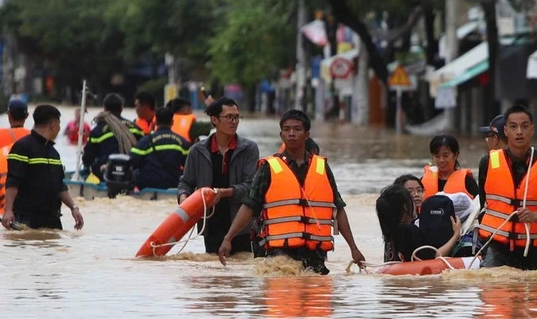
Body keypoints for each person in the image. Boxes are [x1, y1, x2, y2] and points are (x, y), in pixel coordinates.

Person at [218, 110, 366, 274]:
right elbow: (249, 206)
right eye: (287, 130)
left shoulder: (322, 167)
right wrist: (228, 238)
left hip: (315, 256)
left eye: (297, 129)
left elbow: (338, 209)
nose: (291, 134)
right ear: (281, 135)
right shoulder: (268, 167)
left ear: (307, 134)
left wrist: (354, 248)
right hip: (280, 256)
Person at [477, 104, 537, 270]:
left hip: (532, 248)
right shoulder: (488, 162)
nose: (519, 132)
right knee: (492, 282)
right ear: (506, 131)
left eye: (524, 126)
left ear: (532, 129)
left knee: (532, 285)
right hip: (496, 246)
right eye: (513, 127)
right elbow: (484, 205)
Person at [178, 97, 261, 256]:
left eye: (237, 117)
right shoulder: (197, 151)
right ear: (214, 120)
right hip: (211, 225)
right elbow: (186, 183)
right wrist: (184, 199)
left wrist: (224, 192)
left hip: (242, 225)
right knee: (213, 268)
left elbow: (251, 186)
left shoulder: (249, 149)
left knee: (242, 266)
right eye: (229, 117)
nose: (234, 122)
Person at [1, 105, 84, 231]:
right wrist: (8, 211)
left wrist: (74, 208)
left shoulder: (53, 153)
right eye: (59, 124)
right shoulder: (22, 147)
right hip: (27, 219)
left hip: (53, 220)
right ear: (53, 125)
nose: (59, 129)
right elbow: (13, 182)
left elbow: (60, 186)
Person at [376, 184, 460, 262]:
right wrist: (456, 234)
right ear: (405, 206)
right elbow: (435, 257)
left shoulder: (390, 231)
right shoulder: (409, 230)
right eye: (412, 201)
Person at [82, 93, 144, 179]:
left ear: (104, 108)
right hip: (130, 173)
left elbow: (87, 159)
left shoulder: (97, 131)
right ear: (121, 108)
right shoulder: (136, 129)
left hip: (105, 174)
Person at [130, 106, 192, 190]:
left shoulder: (145, 142)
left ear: (155, 122)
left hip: (148, 183)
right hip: (173, 183)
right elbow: (190, 165)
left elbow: (132, 161)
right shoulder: (182, 142)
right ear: (172, 122)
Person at [421, 135, 479, 200]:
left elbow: (478, 204)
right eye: (437, 156)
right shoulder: (422, 182)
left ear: (456, 155)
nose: (441, 160)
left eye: (445, 156)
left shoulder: (468, 182)